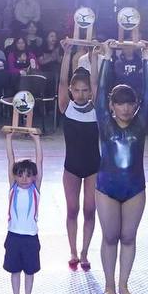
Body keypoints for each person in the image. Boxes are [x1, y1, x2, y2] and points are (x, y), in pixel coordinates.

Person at [94, 38, 148, 294]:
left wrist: (146, 58)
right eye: (120, 103)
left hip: (134, 189)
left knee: (128, 237)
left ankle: (123, 284)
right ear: (111, 106)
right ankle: (109, 284)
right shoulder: (105, 122)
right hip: (107, 187)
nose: (126, 107)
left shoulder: (140, 123)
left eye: (130, 103)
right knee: (110, 237)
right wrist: (107, 58)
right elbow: (100, 92)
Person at [57, 44, 99, 272]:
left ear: (91, 92)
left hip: (94, 167)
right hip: (71, 167)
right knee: (72, 209)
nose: (81, 94)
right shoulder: (66, 107)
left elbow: (96, 82)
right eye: (78, 90)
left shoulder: (97, 109)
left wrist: (93, 57)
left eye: (86, 90)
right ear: (72, 90)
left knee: (89, 210)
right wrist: (66, 53)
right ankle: (73, 251)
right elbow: (62, 82)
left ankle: (84, 252)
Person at [4, 131, 44, 294]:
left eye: (29, 175)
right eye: (20, 175)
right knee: (15, 271)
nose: (25, 179)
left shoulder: (35, 190)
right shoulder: (13, 189)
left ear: (34, 177)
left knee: (29, 271)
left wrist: (36, 141)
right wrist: (9, 139)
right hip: (13, 237)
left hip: (30, 238)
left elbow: (40, 163)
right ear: (15, 177)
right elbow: (10, 160)